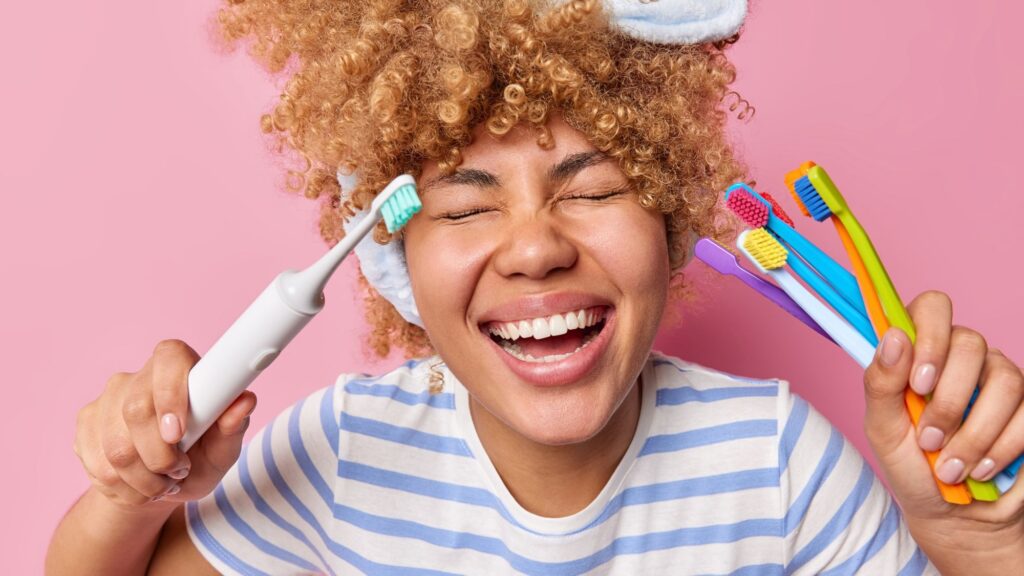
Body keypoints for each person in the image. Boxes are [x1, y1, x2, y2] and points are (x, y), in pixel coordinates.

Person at [46, 1, 1024, 574]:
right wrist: (131, 494)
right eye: (467, 206)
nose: (535, 249)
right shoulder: (342, 453)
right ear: (394, 255)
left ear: (669, 216)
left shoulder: (775, 462)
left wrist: (977, 541)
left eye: (591, 189)